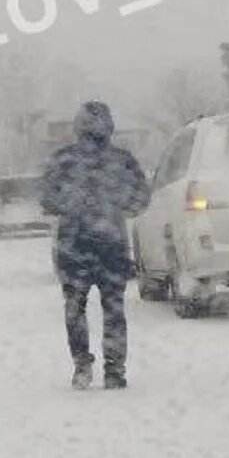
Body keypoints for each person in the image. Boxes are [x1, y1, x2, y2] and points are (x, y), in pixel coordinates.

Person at [39, 101, 150, 390]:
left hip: (73, 244)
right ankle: (114, 370)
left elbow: (47, 200)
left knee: (75, 307)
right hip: (111, 243)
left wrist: (74, 207)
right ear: (110, 128)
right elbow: (141, 199)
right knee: (114, 308)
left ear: (77, 129)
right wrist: (115, 206)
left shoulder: (62, 161)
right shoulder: (123, 161)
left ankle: (82, 366)